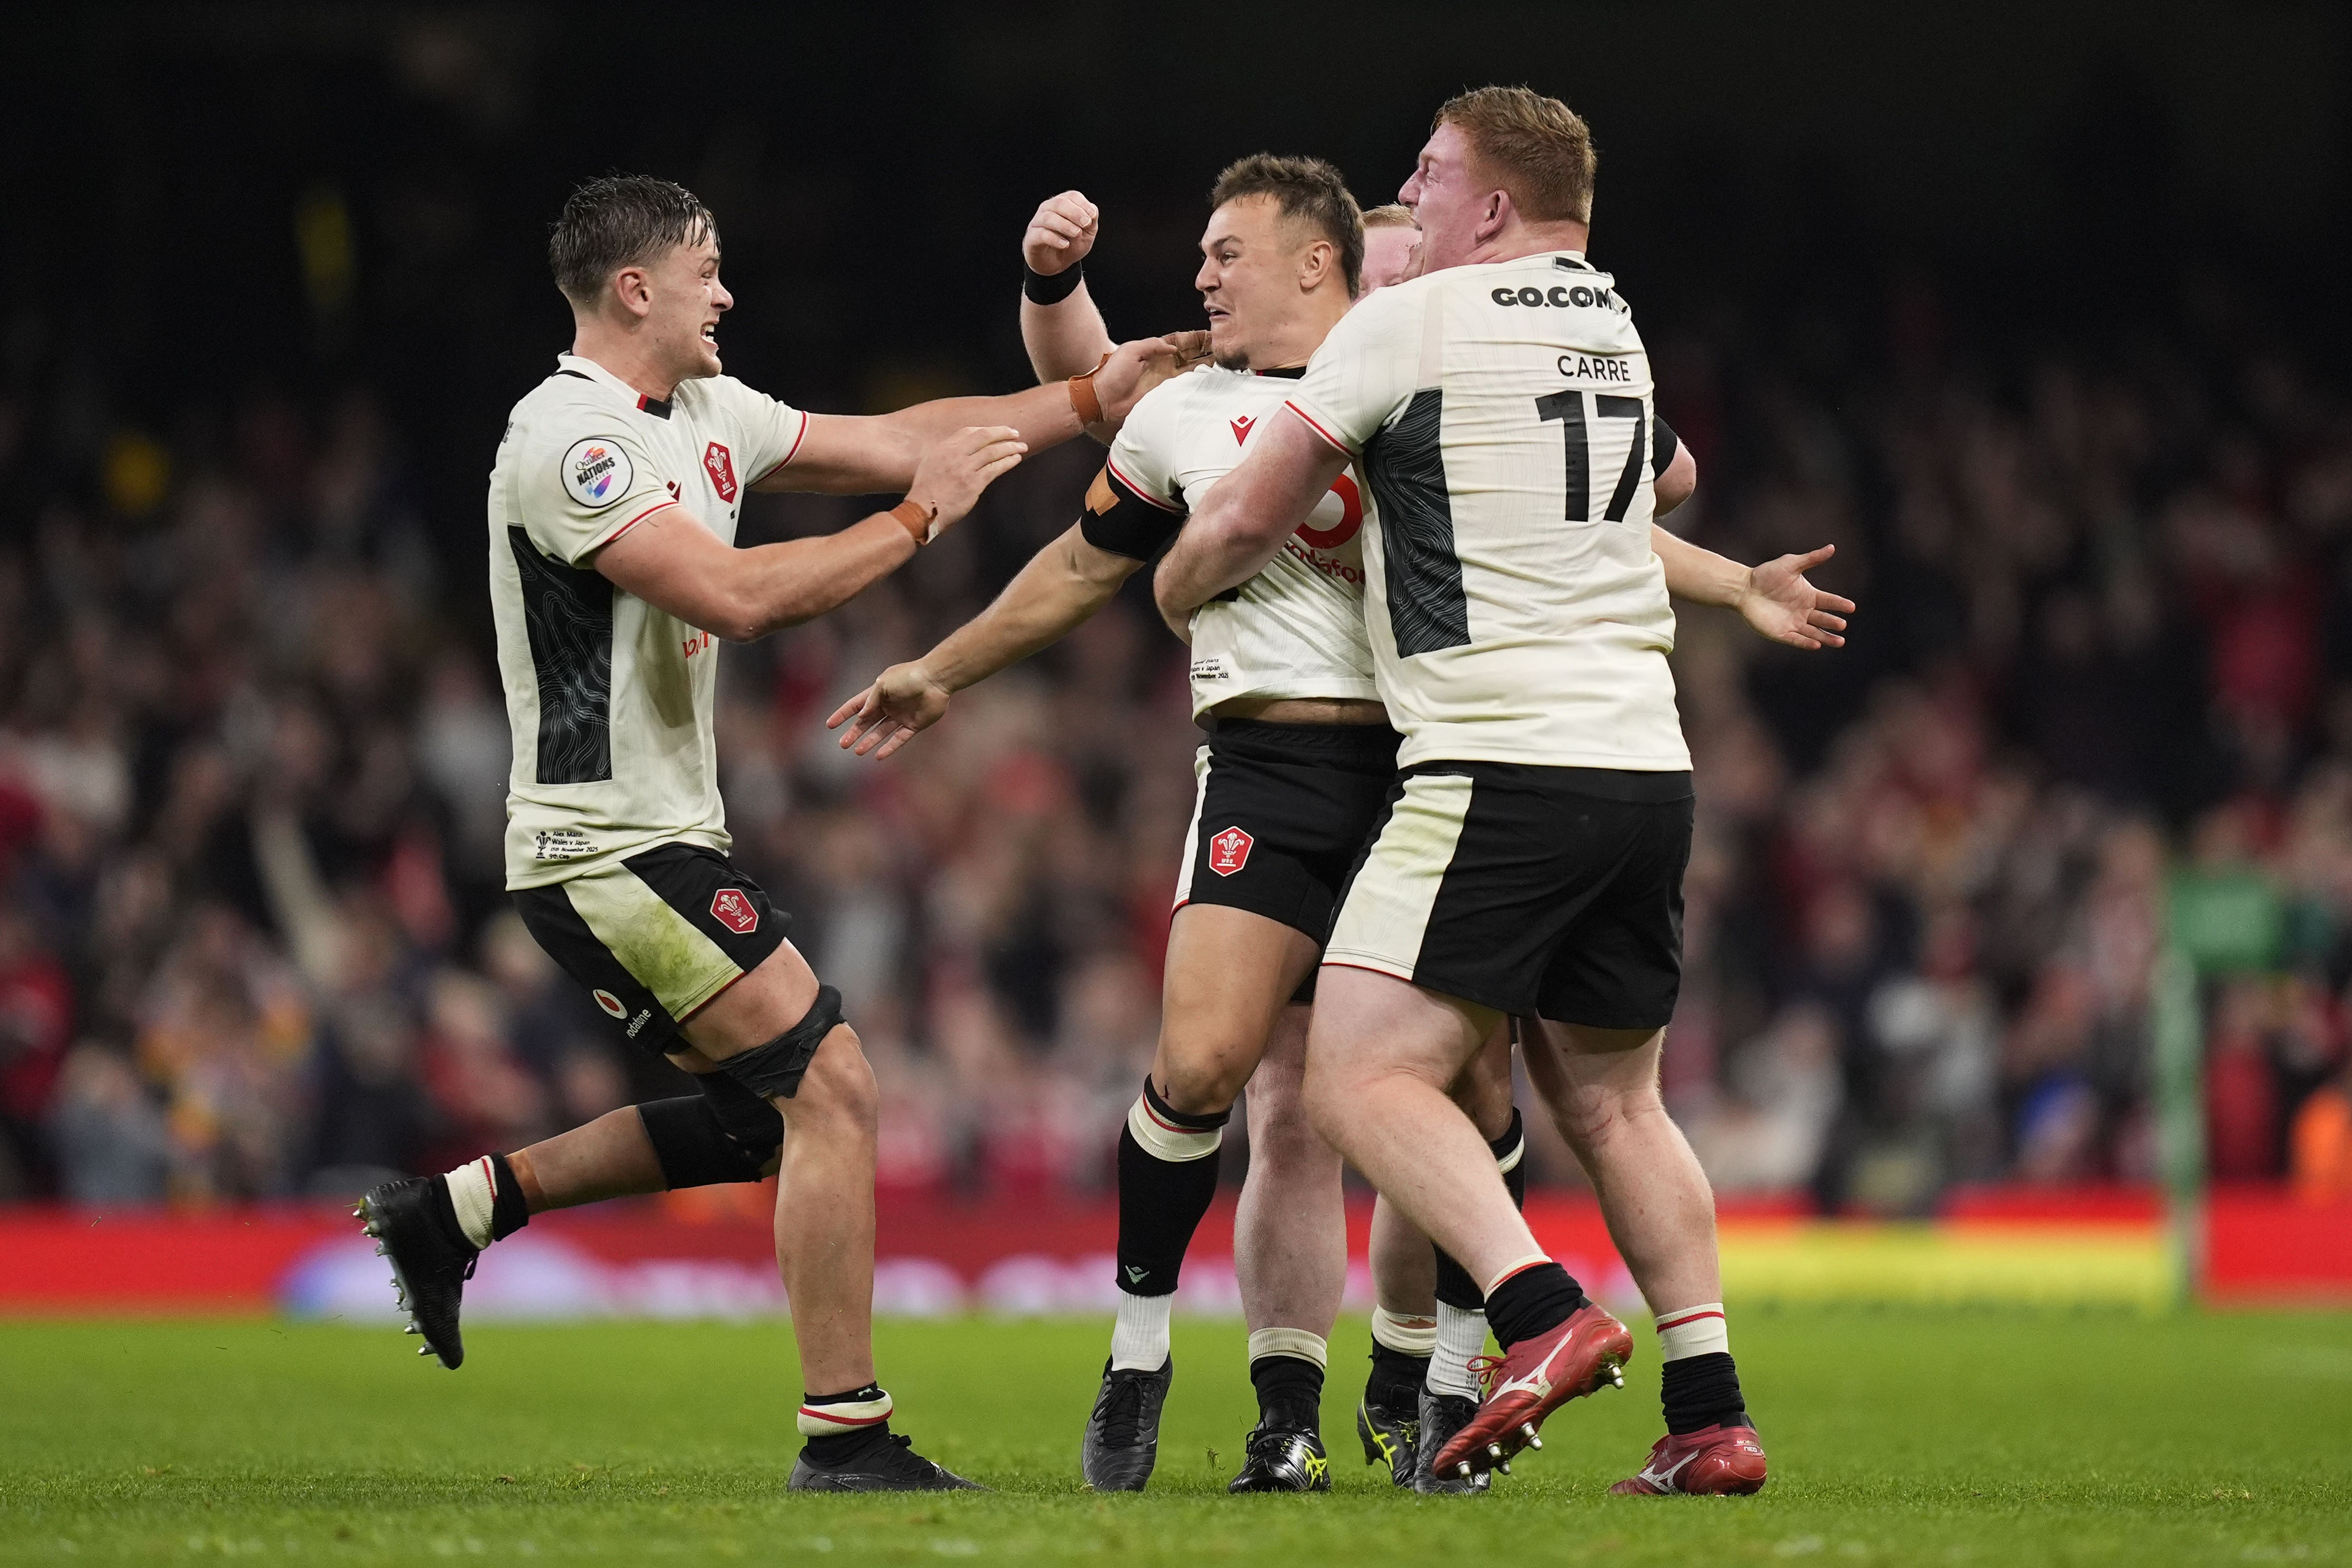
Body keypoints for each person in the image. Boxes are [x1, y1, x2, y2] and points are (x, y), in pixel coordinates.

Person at [836, 152, 1842, 1491]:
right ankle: (1174, 1366)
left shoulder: (1410, 375)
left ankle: (1439, 1376)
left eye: (1224, 252)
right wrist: (947, 667)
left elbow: (1597, 504)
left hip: (1427, 764)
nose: (1200, 276)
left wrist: (1729, 585)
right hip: (1267, 768)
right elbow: (1087, 545)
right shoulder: (1193, 407)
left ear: (1322, 267)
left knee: (1443, 1092)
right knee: (1222, 1075)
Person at [353, 173, 1184, 1493]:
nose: (728, 293)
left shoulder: (705, 410)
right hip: (603, 844)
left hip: (660, 836)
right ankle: (845, 1435)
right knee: (833, 1084)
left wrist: (1094, 402)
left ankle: (450, 1212)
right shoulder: (571, 445)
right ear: (637, 290)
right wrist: (918, 522)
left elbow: (917, 430)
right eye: (707, 271)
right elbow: (736, 596)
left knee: (762, 1119)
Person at [1153, 88, 1853, 1496]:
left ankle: (1538, 1315)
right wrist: (1733, 584)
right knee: (1617, 1108)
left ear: (1484, 204)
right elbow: (1655, 490)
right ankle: (1711, 1414)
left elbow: (1243, 512)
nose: (1401, 199)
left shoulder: (1406, 324)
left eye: (1427, 173)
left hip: (1495, 760)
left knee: (1351, 1072)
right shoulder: (1615, 321)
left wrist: (1175, 590)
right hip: (1646, 770)